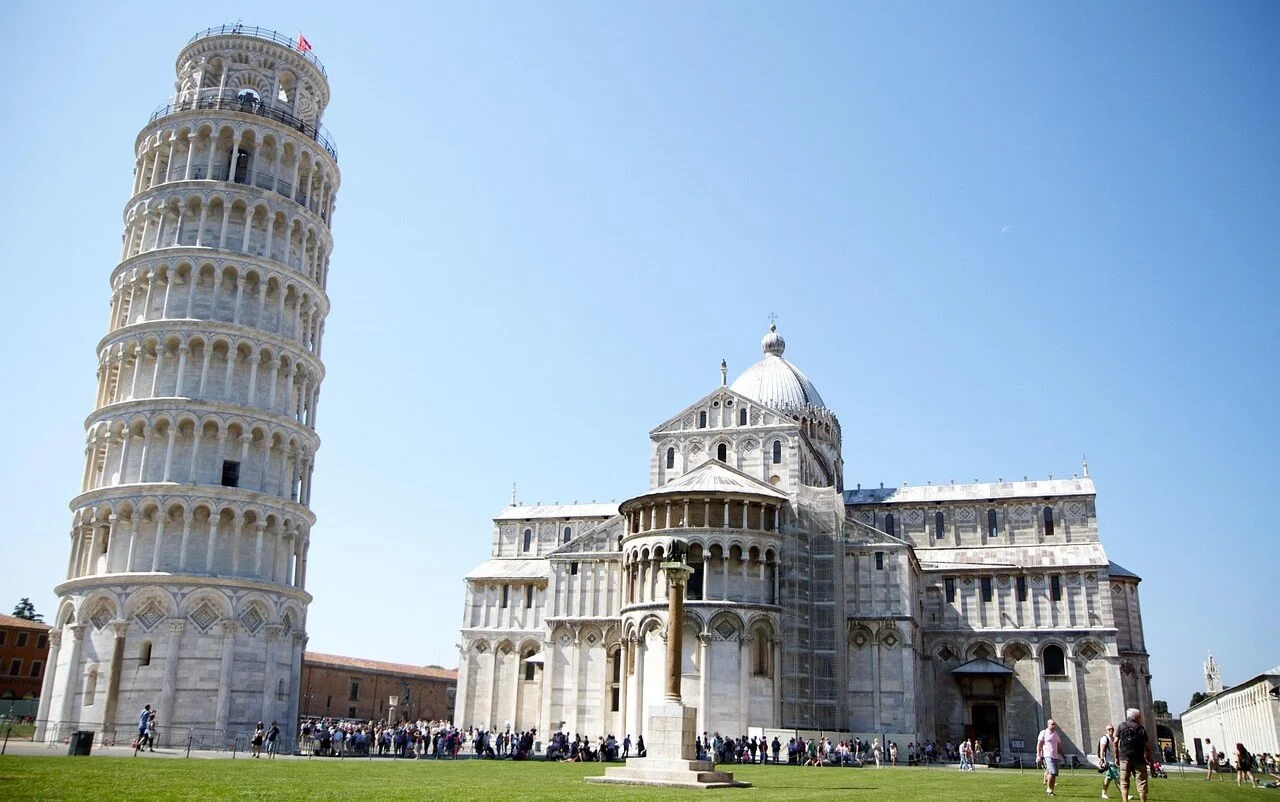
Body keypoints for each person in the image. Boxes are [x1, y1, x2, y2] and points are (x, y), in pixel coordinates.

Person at [1115, 708, 1150, 802]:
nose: (1141, 717)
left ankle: (1125, 800)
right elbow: (1147, 746)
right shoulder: (1141, 728)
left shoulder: (1121, 726)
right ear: (1135, 717)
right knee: (1141, 783)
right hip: (1139, 758)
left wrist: (1116, 756)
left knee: (1124, 782)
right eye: (1139, 716)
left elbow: (1115, 742)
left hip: (1124, 758)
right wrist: (1150, 759)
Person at [1036, 718, 1063, 797]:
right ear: (1048, 725)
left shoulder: (1056, 734)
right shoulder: (1043, 733)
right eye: (1052, 724)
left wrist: (1063, 755)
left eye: (1054, 724)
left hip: (1055, 756)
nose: (1053, 726)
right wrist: (1038, 755)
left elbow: (1059, 746)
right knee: (1052, 772)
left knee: (1054, 774)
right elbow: (1039, 745)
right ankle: (1048, 789)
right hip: (1047, 756)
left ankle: (1051, 789)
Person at [1098, 723, 1120, 799]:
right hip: (1109, 761)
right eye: (1109, 729)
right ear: (1106, 730)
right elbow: (1102, 750)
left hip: (1114, 761)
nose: (1111, 730)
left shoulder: (1114, 738)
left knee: (1108, 778)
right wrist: (1102, 760)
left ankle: (1103, 793)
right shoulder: (1104, 738)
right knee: (1116, 777)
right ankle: (1125, 794)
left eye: (1112, 729)